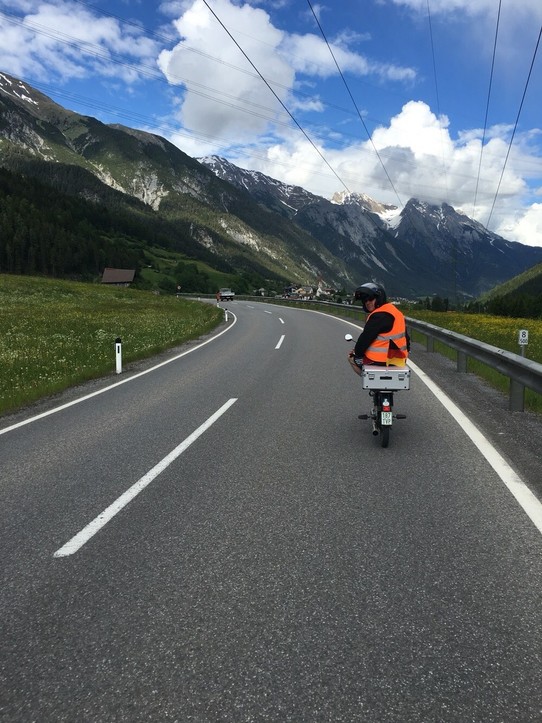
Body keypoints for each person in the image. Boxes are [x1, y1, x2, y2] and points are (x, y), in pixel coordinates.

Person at [347, 282, 410, 376]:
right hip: (399, 361)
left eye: (370, 298)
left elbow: (365, 339)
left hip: (378, 361)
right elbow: (406, 338)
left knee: (351, 358)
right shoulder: (394, 312)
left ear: (379, 298)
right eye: (364, 300)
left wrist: (356, 353)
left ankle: (370, 383)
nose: (367, 302)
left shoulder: (378, 316)